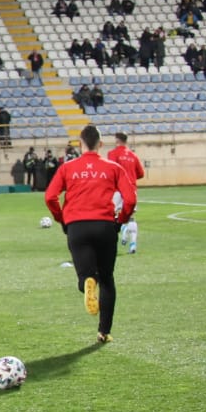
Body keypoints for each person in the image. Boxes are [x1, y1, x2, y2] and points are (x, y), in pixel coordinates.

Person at [45, 125, 137, 343]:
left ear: (80, 144)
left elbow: (50, 197)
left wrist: (62, 218)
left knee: (85, 275)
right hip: (105, 226)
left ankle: (87, 282)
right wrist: (121, 219)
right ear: (100, 144)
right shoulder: (112, 167)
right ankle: (104, 332)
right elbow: (131, 199)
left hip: (77, 226)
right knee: (107, 279)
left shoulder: (68, 167)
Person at [108, 132, 145, 254]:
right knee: (131, 218)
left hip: (118, 189)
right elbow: (141, 174)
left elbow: (111, 170)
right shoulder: (133, 156)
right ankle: (133, 245)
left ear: (117, 140)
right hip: (131, 190)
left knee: (111, 215)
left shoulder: (113, 154)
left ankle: (122, 229)